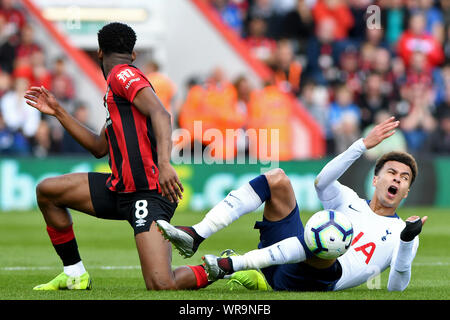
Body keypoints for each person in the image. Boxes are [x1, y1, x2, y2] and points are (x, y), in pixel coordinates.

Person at [23, 22, 211, 291]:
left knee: (161, 284)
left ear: (99, 52)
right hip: (120, 189)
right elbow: (100, 147)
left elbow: (161, 114)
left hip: (148, 193)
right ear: (133, 53)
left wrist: (165, 164)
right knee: (48, 192)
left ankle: (227, 266)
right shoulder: (117, 93)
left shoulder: (122, 75)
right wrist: (58, 111)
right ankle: (75, 275)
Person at [157, 117, 427, 291]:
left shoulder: (404, 233)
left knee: (326, 237)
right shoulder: (350, 201)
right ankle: (198, 234)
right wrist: (361, 145)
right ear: (376, 179)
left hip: (319, 278)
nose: (397, 180)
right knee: (277, 178)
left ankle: (233, 265)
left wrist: (405, 241)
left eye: (404, 179)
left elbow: (396, 289)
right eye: (392, 173)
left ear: (406, 193)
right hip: (286, 258)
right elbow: (322, 182)